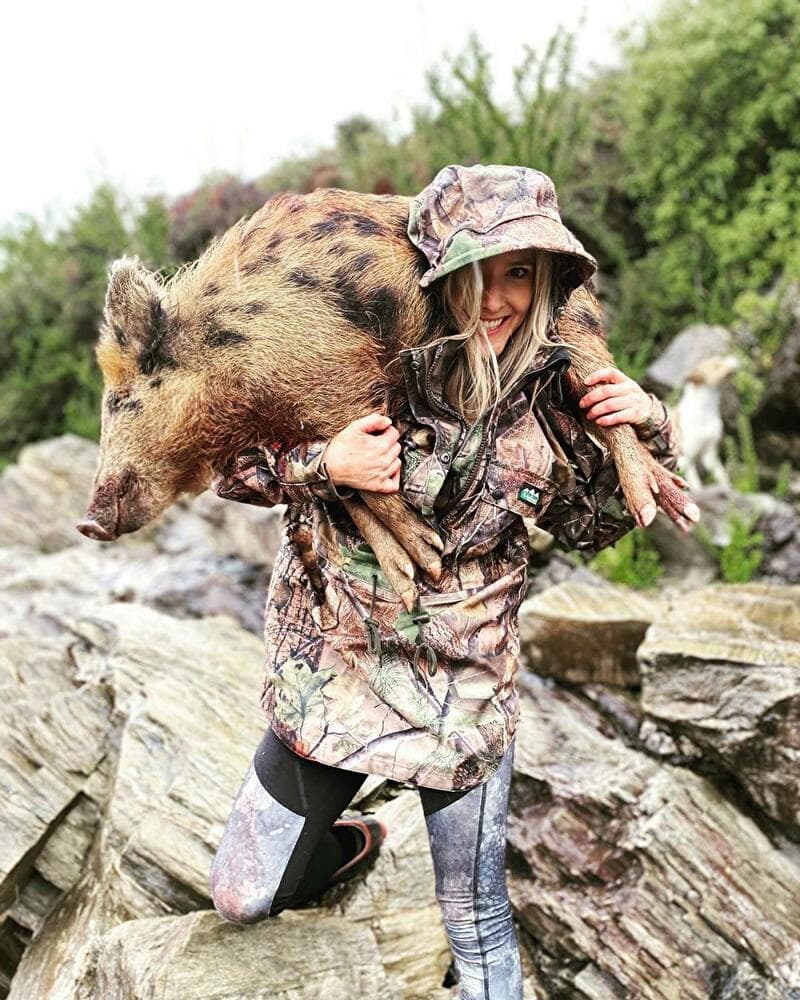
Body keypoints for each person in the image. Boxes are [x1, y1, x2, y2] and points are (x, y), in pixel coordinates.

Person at [208, 164, 682, 999]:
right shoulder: (352, 361)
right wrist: (325, 463)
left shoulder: (553, 394)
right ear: (438, 272)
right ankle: (350, 843)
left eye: (519, 272)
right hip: (337, 674)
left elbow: (595, 527)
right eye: (475, 271)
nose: (497, 298)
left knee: (479, 923)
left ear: (546, 280)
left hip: (465, 697)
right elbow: (228, 466)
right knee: (243, 897)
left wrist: (651, 425)